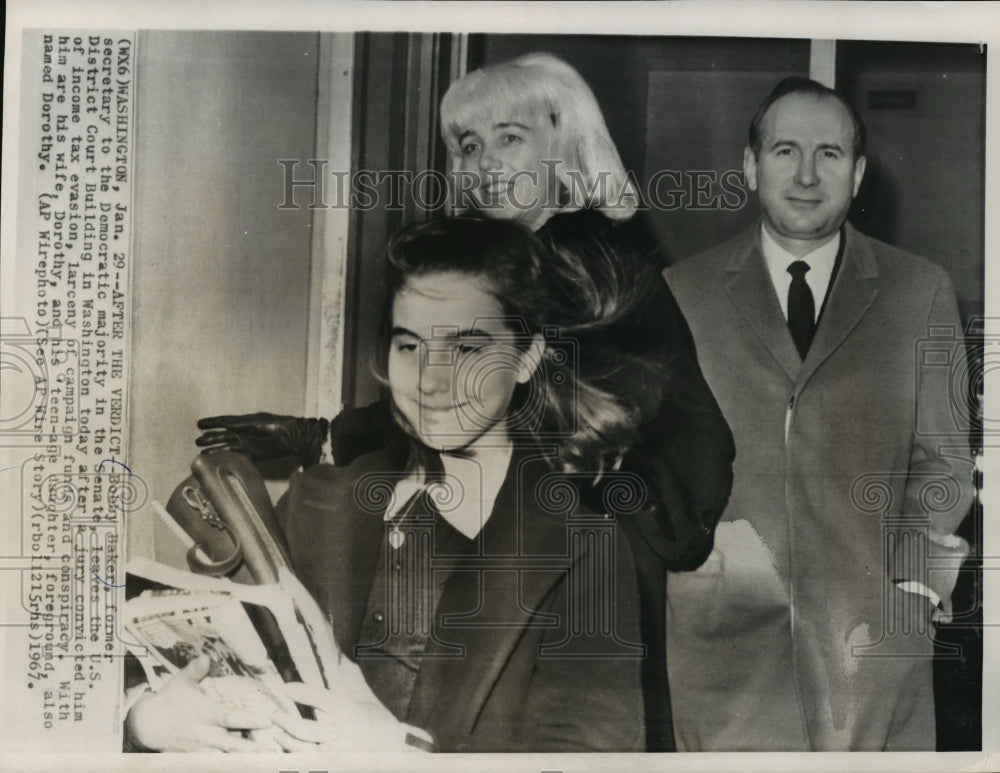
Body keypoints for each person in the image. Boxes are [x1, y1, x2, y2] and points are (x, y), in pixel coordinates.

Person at [198, 52, 735, 751]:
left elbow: (537, 404)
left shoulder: (593, 260)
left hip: (592, 532)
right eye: (469, 145)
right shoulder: (515, 255)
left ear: (565, 144)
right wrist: (322, 438)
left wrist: (328, 438)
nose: (484, 164)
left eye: (509, 138)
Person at [128, 216, 652, 752]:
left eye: (468, 348)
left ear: (526, 359)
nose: (431, 379)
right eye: (409, 345)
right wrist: (146, 719)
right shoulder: (316, 505)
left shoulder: (585, 552)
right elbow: (154, 670)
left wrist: (399, 756)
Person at [663, 76, 974, 751]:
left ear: (858, 173)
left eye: (829, 154)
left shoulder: (920, 291)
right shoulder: (680, 294)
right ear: (750, 166)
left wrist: (913, 590)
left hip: (870, 653)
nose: (807, 174)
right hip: (721, 654)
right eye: (784, 151)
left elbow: (945, 460)